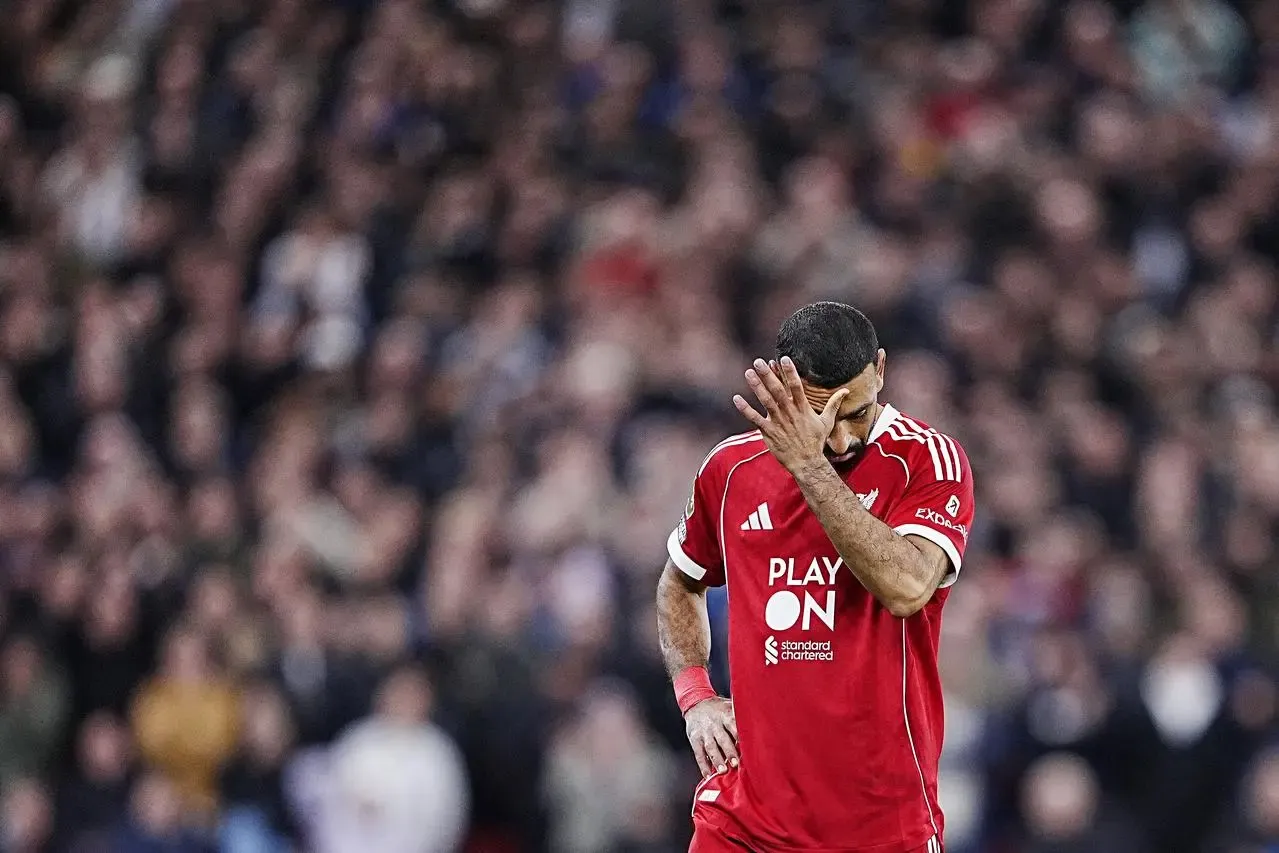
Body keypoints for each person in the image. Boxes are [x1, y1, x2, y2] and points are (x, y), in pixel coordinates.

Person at [656, 302, 976, 853]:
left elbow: (907, 588)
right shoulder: (730, 471)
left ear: (880, 369)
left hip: (880, 825)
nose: (842, 440)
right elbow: (680, 582)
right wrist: (696, 697)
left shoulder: (926, 461)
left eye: (857, 413)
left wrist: (809, 467)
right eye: (821, 417)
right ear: (784, 387)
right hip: (747, 819)